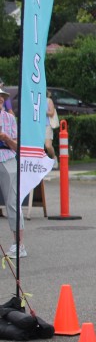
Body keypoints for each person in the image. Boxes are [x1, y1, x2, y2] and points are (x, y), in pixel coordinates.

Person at [0, 86, 25, 258]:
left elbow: (17, 147)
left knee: (12, 202)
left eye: (2, 96)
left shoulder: (9, 118)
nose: (1, 99)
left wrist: (6, 138)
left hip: (7, 158)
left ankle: (19, 244)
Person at [44, 90, 59, 164]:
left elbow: (52, 113)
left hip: (47, 125)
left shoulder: (48, 100)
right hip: (38, 126)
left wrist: (43, 112)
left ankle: (53, 158)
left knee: (48, 145)